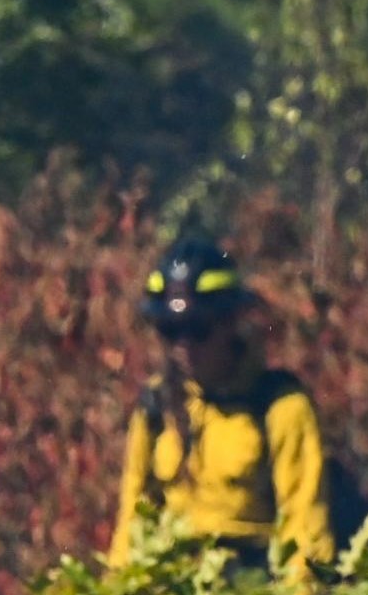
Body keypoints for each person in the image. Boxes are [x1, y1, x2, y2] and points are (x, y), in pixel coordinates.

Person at [108, 238, 335, 574]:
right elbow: (134, 514)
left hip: (250, 591)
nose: (183, 347)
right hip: (174, 591)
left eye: (198, 330)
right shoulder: (158, 405)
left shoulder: (279, 406)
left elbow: (304, 518)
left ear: (230, 323)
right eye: (171, 331)